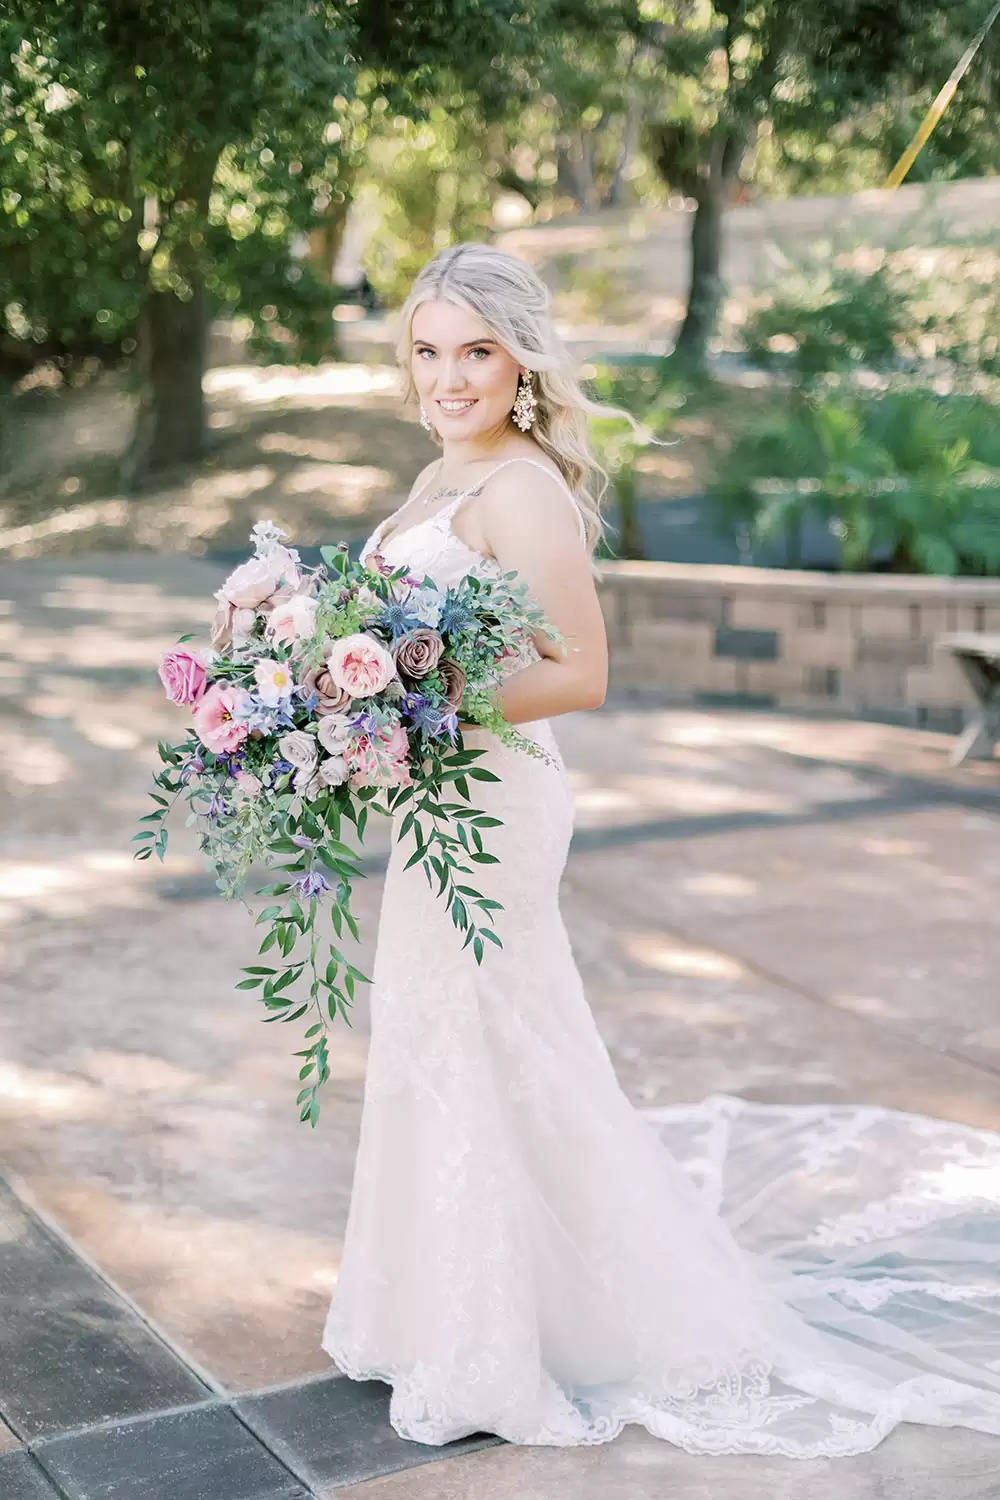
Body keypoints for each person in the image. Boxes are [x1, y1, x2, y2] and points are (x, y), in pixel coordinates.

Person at [322, 242, 1000, 1455]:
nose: (448, 376)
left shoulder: (520, 489)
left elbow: (578, 674)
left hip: (496, 809)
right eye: (428, 351)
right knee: (439, 1037)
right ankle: (448, 1313)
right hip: (439, 807)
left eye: (474, 350)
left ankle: (512, 1343)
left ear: (518, 359)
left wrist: (414, 706)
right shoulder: (434, 480)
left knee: (493, 1036)